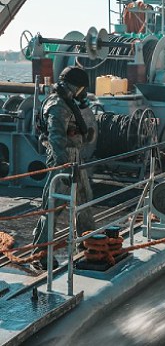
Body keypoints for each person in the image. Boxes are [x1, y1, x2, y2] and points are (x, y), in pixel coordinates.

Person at [33, 66, 96, 269]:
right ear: (73, 87)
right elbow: (56, 138)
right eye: (80, 89)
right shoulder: (57, 105)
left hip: (74, 157)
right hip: (63, 160)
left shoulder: (68, 103)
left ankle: (89, 247)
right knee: (52, 207)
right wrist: (64, 167)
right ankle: (41, 255)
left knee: (84, 202)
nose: (81, 93)